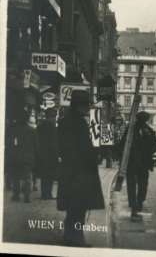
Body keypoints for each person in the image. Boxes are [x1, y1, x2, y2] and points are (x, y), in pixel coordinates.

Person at [57, 90, 105, 247]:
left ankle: (69, 236)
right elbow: (81, 149)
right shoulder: (77, 123)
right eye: (86, 105)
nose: (87, 109)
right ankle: (75, 239)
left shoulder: (66, 121)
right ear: (79, 105)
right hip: (79, 173)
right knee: (78, 208)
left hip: (71, 171)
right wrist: (94, 155)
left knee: (74, 207)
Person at [119, 111, 156, 221]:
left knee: (139, 184)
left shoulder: (146, 130)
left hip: (140, 162)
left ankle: (138, 203)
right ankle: (135, 207)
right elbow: (123, 144)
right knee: (136, 184)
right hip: (134, 162)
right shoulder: (132, 130)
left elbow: (155, 144)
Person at [8, 105, 37, 203]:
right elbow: (35, 144)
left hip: (16, 155)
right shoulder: (32, 130)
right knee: (27, 176)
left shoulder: (14, 130)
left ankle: (16, 195)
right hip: (28, 156)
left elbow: (10, 143)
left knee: (16, 176)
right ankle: (27, 196)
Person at [36, 108, 59, 200]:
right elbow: (54, 142)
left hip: (42, 154)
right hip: (50, 155)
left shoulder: (40, 125)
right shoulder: (52, 125)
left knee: (44, 175)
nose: (55, 118)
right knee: (49, 175)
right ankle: (47, 194)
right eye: (54, 116)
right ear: (52, 116)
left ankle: (44, 194)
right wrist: (57, 154)